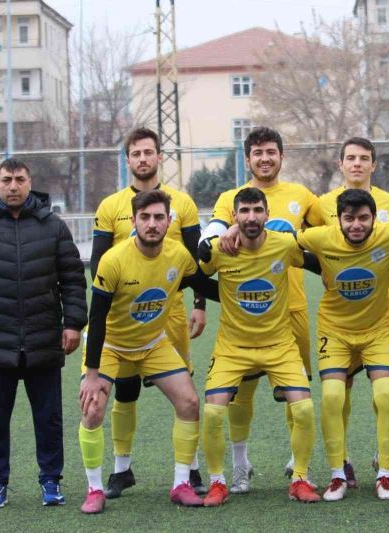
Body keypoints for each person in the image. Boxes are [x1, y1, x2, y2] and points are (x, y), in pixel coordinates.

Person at [0, 158, 87, 509]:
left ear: (30, 182)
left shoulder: (53, 227)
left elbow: (72, 280)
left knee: (49, 419)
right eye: (7, 179)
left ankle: (51, 481)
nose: (13, 186)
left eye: (20, 179)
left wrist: (73, 324)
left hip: (44, 339)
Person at [78, 190, 219, 514]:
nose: (152, 224)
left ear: (169, 221)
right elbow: (96, 319)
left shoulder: (178, 255)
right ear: (134, 221)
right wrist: (93, 375)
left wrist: (245, 285)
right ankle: (94, 489)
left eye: (158, 217)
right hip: (110, 344)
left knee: (189, 402)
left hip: (152, 343)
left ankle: (181, 484)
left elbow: (205, 287)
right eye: (145, 217)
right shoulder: (114, 260)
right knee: (93, 408)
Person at [90, 127, 207, 497]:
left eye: (148, 152)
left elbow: (196, 264)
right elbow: (97, 264)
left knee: (184, 390)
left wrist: (200, 305)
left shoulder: (182, 203)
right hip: (124, 316)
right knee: (125, 392)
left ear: (159, 156)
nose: (143, 159)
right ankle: (121, 469)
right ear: (127, 160)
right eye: (136, 153)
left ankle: (190, 469)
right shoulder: (111, 206)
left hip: (169, 312)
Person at [200, 127, 317, 493]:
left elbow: (328, 234)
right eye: (257, 153)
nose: (265, 158)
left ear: (281, 155)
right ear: (247, 158)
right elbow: (208, 241)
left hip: (292, 309)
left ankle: (298, 465)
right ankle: (240, 465)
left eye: (271, 152)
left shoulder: (301, 195)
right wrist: (222, 233)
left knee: (297, 396)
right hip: (245, 317)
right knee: (241, 395)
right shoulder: (229, 198)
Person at [297, 189, 389, 501]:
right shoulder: (320, 237)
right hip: (335, 331)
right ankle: (337, 475)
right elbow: (282, 239)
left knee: (386, 395)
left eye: (363, 218)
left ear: (374, 218)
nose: (356, 225)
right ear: (339, 220)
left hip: (377, 330)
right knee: (332, 397)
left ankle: (384, 473)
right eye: (349, 218)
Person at [304, 136, 389, 488]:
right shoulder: (321, 204)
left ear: (374, 164)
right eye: (350, 158)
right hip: (340, 312)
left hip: (383, 308)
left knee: (385, 391)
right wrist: (331, 270)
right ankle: (341, 459)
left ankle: (383, 458)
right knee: (338, 391)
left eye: (364, 158)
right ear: (340, 164)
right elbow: (306, 244)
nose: (357, 163)